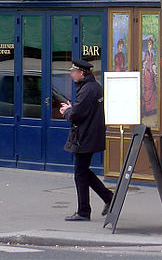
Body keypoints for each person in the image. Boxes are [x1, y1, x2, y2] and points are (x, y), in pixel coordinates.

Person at [59, 58, 113, 221]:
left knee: (80, 173)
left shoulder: (88, 89)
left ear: (81, 73)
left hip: (85, 136)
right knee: (83, 171)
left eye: (73, 72)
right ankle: (108, 198)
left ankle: (84, 211)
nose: (71, 75)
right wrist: (72, 109)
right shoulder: (92, 87)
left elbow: (77, 114)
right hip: (89, 135)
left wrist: (67, 111)